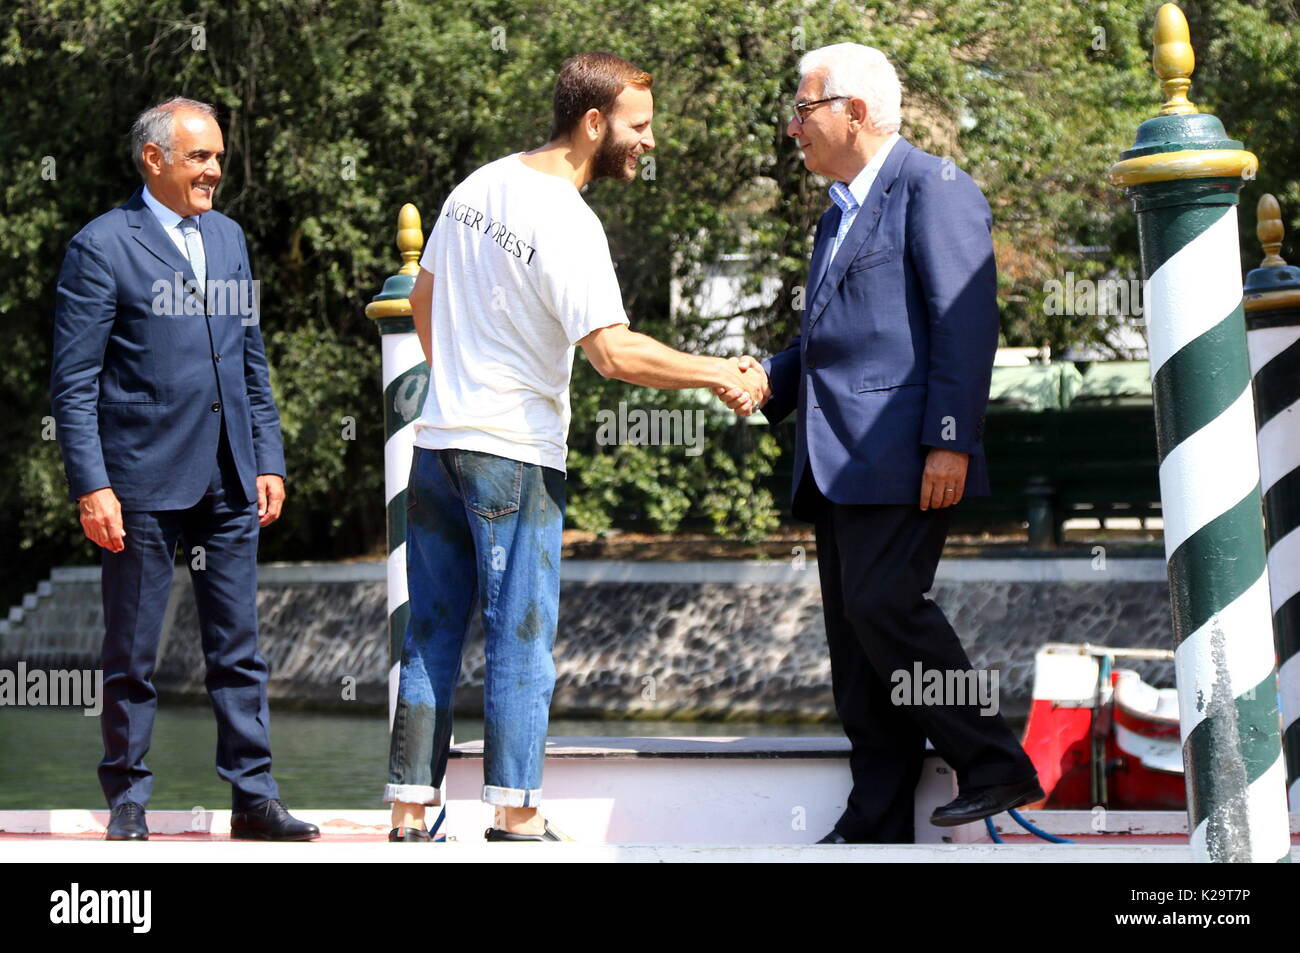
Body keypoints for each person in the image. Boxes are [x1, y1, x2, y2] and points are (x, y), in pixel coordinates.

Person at [385, 52, 765, 843]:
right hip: (515, 455)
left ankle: (407, 812)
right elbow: (614, 353)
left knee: (431, 630)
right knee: (522, 631)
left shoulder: (473, 188)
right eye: (640, 126)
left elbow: (421, 298)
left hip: (439, 445)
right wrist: (718, 372)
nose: (648, 142)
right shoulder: (566, 218)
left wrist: (458, 377)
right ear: (594, 123)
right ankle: (517, 812)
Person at [755, 43, 1042, 843]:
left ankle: (993, 760)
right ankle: (876, 817)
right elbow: (830, 343)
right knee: (855, 642)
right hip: (837, 456)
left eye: (804, 110)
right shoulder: (836, 213)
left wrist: (950, 441)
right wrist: (762, 380)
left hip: (907, 454)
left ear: (854, 110)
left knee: (884, 606)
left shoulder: (935, 188)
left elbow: (965, 321)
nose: (793, 127)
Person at [51, 97, 318, 842]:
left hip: (230, 477)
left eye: (219, 157)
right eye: (200, 157)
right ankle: (128, 800)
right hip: (136, 482)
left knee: (238, 647)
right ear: (155, 159)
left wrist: (268, 457)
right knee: (132, 652)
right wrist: (92, 483)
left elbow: (249, 359)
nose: (215, 170)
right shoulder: (101, 246)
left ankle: (254, 797)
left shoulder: (230, 239)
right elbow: (73, 384)